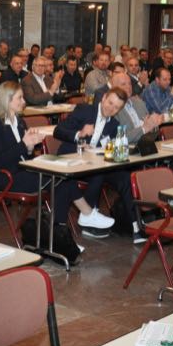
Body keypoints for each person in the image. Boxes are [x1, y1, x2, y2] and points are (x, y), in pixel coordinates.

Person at [0, 82, 114, 238]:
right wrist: (24, 144)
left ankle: (60, 230)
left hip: (22, 170)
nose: (24, 101)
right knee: (60, 178)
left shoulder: (19, 122)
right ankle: (83, 216)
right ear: (7, 100)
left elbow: (23, 155)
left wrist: (30, 147)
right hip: (5, 177)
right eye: (20, 98)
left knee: (62, 177)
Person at [53, 88, 139, 240]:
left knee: (124, 177)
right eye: (110, 103)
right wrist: (79, 134)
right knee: (98, 173)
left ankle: (135, 225)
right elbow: (58, 131)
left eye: (116, 107)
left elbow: (109, 148)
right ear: (104, 98)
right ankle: (88, 217)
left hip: (93, 164)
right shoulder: (84, 110)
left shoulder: (114, 125)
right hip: (70, 159)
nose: (111, 108)